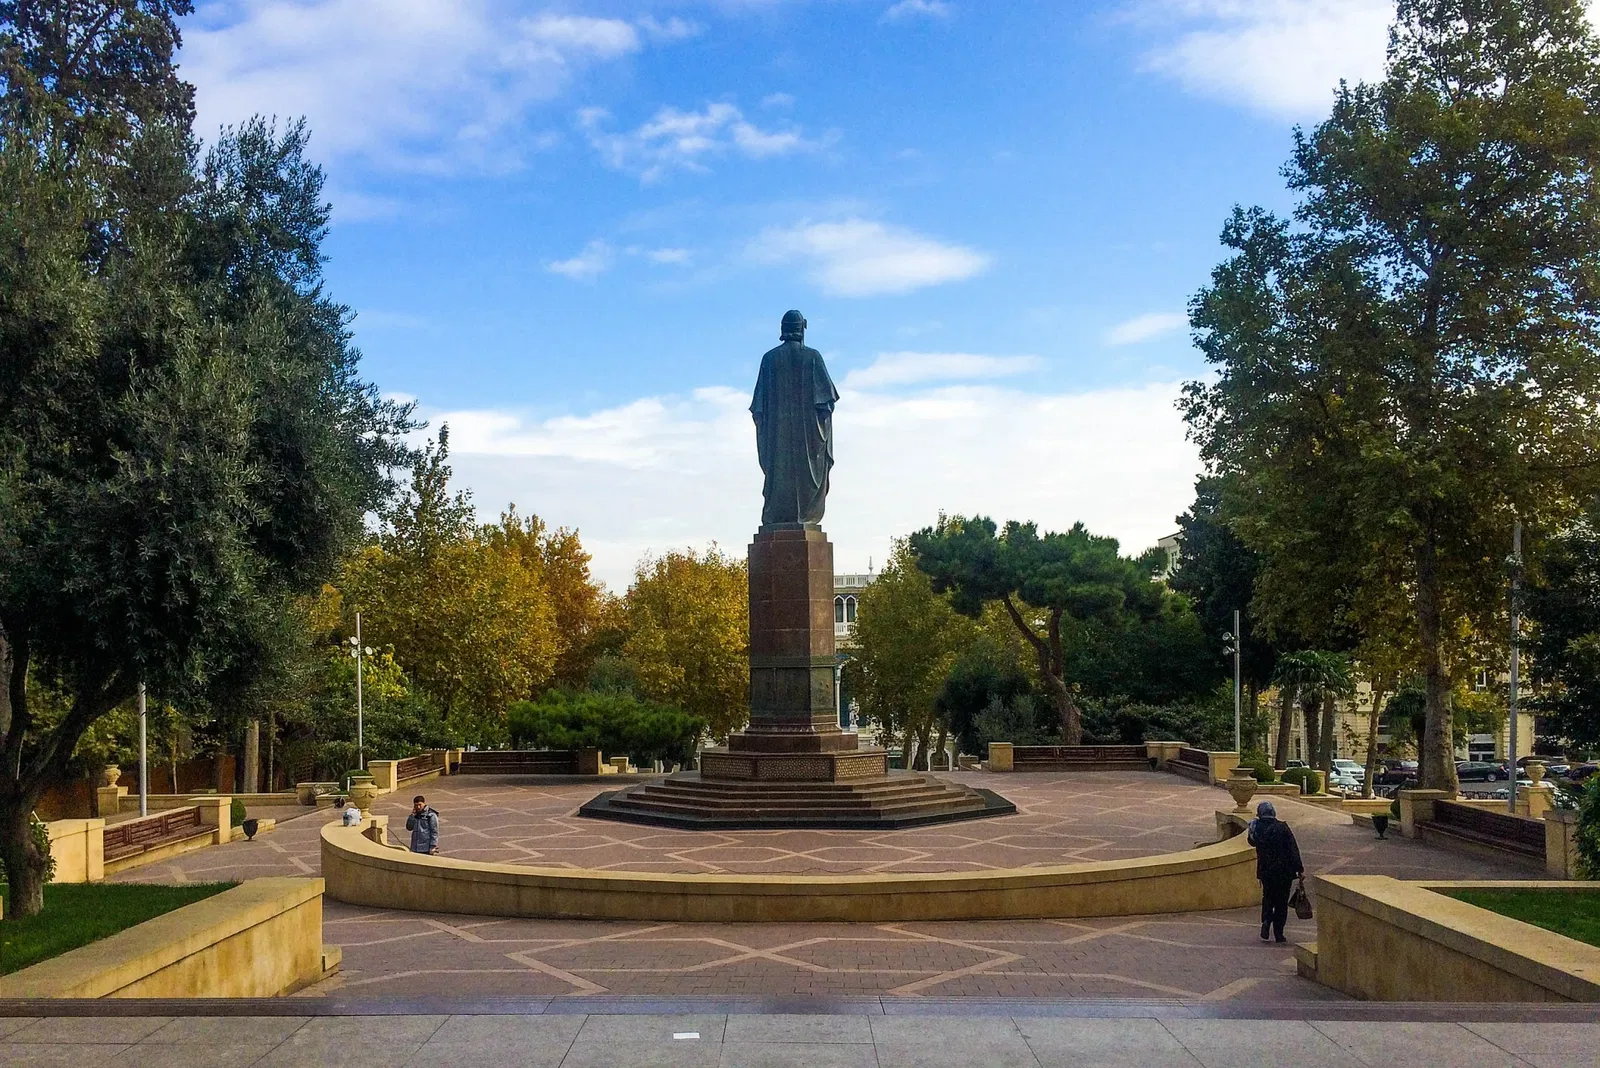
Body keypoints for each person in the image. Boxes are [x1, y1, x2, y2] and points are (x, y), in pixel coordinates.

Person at [1246, 800, 1303, 943]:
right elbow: (1292, 849)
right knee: (1281, 902)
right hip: (1284, 871)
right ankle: (1279, 933)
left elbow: (1251, 841)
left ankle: (1266, 919)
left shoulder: (1256, 828)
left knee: (1268, 897)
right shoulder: (1282, 828)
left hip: (1266, 870)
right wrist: (1299, 869)